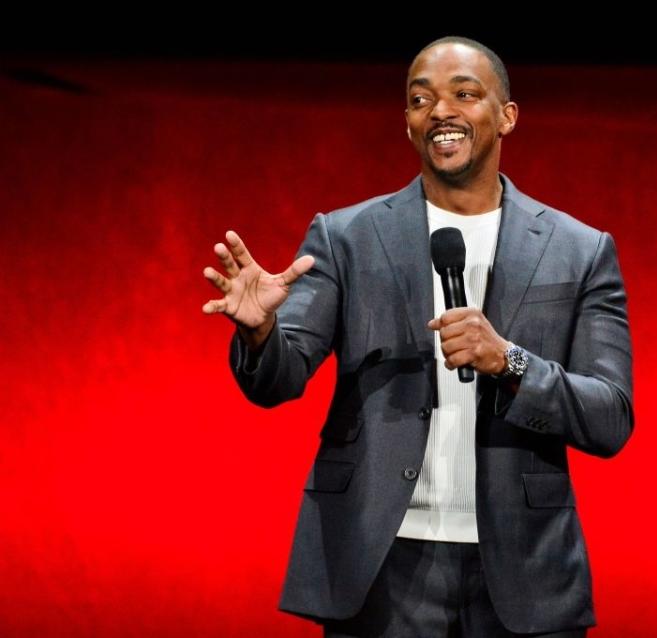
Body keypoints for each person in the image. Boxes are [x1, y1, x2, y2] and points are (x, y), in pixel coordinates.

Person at [202, 36, 634, 637]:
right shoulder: (346, 236)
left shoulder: (579, 251)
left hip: (522, 562)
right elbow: (279, 378)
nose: (440, 112)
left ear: (506, 115)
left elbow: (610, 418)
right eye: (420, 99)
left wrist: (508, 361)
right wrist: (261, 333)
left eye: (465, 94)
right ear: (408, 124)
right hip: (381, 560)